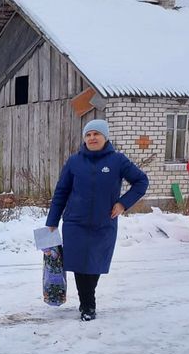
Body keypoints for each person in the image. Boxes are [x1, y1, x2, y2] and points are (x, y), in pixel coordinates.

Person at [46, 119, 149, 321]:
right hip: (75, 223)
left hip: (103, 223)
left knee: (94, 264)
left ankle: (87, 299)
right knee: (79, 265)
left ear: (105, 137)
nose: (92, 138)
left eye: (96, 134)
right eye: (88, 134)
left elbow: (141, 181)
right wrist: (52, 221)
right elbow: (61, 192)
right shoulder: (74, 162)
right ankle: (87, 305)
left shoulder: (118, 161)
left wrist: (122, 204)